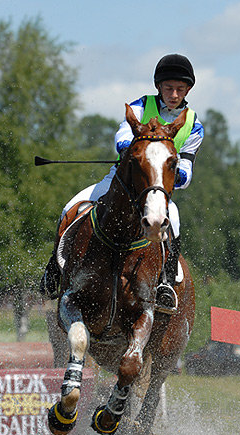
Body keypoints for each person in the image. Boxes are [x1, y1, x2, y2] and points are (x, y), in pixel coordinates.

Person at [40, 53, 204, 312]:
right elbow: (122, 137)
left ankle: (165, 282)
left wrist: (169, 169)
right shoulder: (140, 105)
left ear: (188, 90)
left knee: (174, 221)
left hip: (158, 189)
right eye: (169, 88)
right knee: (70, 207)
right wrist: (141, 156)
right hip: (121, 180)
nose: (174, 94)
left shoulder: (194, 124)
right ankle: (53, 272)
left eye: (180, 89)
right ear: (158, 87)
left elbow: (187, 169)